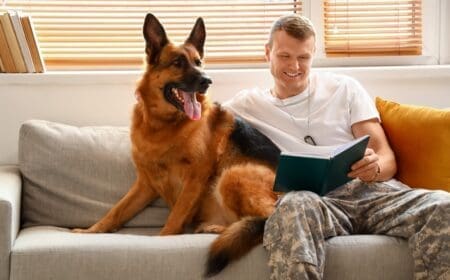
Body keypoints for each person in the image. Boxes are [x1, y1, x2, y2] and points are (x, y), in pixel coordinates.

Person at [223, 14, 450, 280]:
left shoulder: (344, 88)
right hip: (315, 203)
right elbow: (194, 120)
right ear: (267, 53)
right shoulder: (246, 105)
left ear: (313, 55)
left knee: (444, 204)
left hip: (371, 192)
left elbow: (387, 157)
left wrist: (375, 167)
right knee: (292, 205)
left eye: (304, 57)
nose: (294, 66)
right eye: (284, 56)